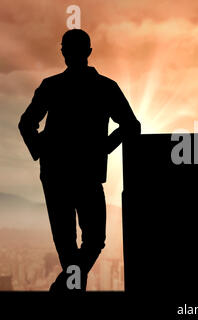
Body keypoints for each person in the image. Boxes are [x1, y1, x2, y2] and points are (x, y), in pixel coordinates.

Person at [18, 29, 141, 291]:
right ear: (89, 52)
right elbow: (132, 125)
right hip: (84, 173)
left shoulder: (53, 86)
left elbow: (26, 124)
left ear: (63, 53)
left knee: (70, 245)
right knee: (90, 241)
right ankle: (71, 288)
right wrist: (104, 147)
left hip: (58, 175)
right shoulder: (104, 87)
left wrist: (42, 148)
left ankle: (67, 286)